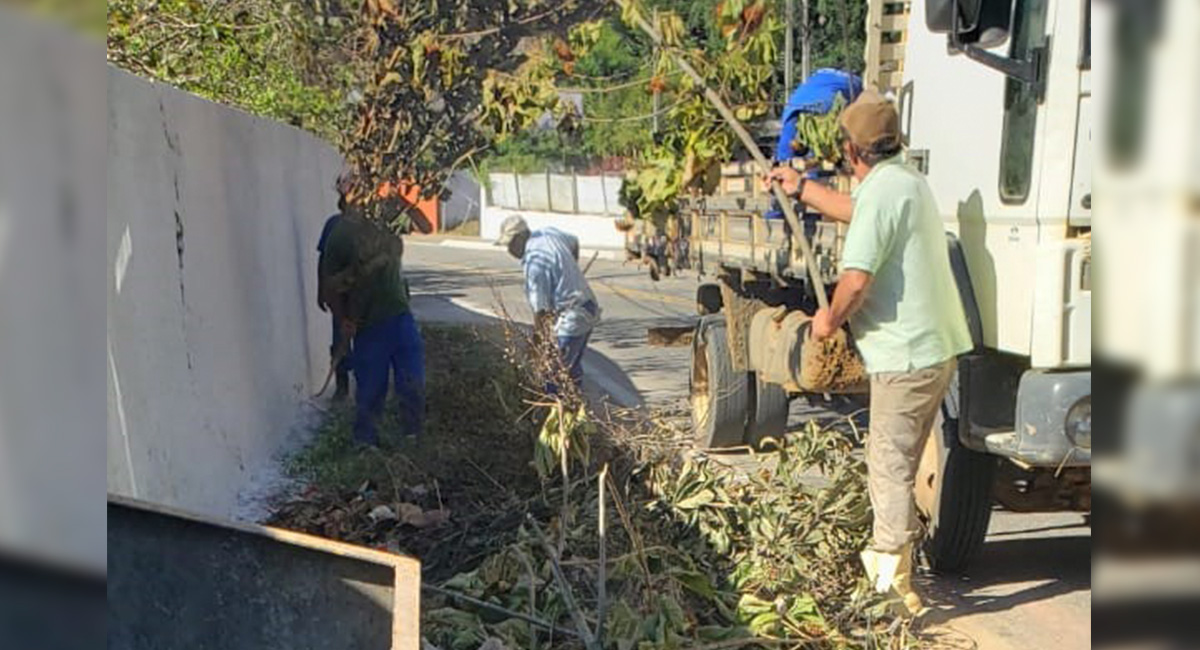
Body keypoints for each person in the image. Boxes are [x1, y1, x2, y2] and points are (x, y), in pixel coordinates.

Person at [767, 90, 973, 616]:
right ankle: (896, 566)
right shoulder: (906, 181)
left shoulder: (883, 192)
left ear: (852, 151)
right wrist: (802, 187)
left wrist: (827, 321)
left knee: (888, 466)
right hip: (935, 349)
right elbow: (858, 211)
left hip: (905, 356)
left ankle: (892, 591)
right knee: (900, 462)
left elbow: (855, 280)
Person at [319, 173, 425, 446]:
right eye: (354, 190)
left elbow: (425, 226)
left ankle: (412, 437)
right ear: (345, 196)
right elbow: (330, 283)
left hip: (400, 315)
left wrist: (403, 201)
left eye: (364, 188)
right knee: (371, 390)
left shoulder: (384, 221)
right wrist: (343, 318)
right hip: (369, 324)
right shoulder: (338, 233)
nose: (361, 195)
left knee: (412, 382)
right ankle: (365, 444)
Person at [495, 216, 600, 390]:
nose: (509, 250)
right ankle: (575, 402)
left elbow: (541, 313)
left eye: (510, 244)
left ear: (520, 237)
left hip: (572, 317)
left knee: (552, 375)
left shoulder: (535, 263)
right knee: (570, 370)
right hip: (587, 306)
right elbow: (574, 242)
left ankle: (557, 402)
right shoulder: (548, 234)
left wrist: (537, 347)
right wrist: (569, 272)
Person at [316, 180, 353, 401]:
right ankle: (341, 386)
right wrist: (321, 290)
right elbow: (323, 260)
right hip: (339, 293)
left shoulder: (368, 226)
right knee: (340, 338)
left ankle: (365, 386)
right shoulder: (333, 224)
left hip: (362, 292)